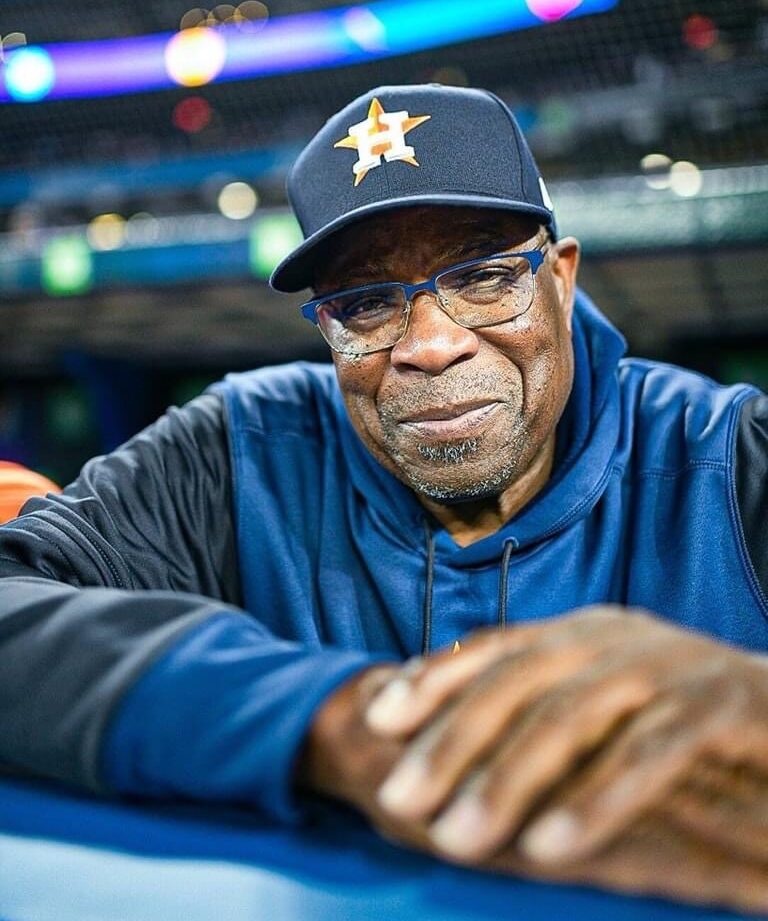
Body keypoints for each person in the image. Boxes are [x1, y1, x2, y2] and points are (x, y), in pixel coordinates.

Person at [1, 84, 768, 911]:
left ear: (562, 278)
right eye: (366, 303)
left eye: (484, 276)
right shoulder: (240, 449)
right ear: (327, 328)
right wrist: (331, 718)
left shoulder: (734, 454)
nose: (431, 345)